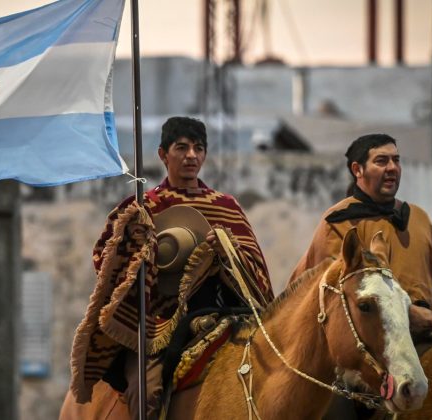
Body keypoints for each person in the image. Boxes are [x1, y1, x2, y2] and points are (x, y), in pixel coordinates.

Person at [63, 116, 274, 419]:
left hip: (223, 314)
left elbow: (256, 271)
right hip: (159, 321)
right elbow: (105, 260)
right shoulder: (141, 207)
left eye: (198, 148)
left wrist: (228, 251)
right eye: (182, 147)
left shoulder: (226, 207)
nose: (191, 156)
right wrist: (139, 251)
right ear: (163, 154)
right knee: (145, 389)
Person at [290, 133, 432, 323]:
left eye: (396, 160)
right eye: (381, 161)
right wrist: (406, 315)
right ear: (358, 170)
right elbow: (340, 292)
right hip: (372, 340)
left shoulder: (419, 218)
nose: (392, 168)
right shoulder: (338, 222)